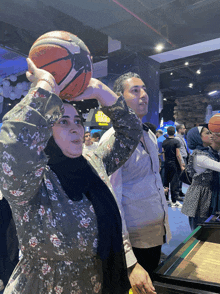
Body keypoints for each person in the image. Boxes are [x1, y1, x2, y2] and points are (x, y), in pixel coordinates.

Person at [0, 59, 144, 294]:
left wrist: (99, 90)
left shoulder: (92, 163)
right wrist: (44, 87)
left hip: (95, 283)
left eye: (77, 121)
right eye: (63, 122)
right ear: (46, 131)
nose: (77, 128)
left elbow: (130, 134)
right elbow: (13, 144)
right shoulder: (30, 178)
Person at [99, 72, 171, 294]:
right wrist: (129, 259)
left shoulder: (148, 134)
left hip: (154, 234)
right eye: (135, 90)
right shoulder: (113, 142)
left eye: (144, 89)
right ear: (119, 99)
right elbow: (111, 204)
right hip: (134, 242)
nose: (144, 95)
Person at [181, 125, 220, 230]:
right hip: (200, 195)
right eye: (207, 133)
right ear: (197, 138)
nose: (211, 135)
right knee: (200, 226)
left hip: (205, 192)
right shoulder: (200, 156)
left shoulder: (206, 152)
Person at [162, 126, 185, 207]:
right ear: (174, 132)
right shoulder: (176, 142)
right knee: (174, 182)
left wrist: (166, 161)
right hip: (174, 164)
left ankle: (166, 199)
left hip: (167, 163)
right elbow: (178, 155)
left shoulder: (164, 142)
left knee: (166, 181)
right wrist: (181, 165)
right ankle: (174, 201)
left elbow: (163, 154)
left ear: (167, 133)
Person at [175, 124, 189, 198]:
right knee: (179, 176)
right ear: (179, 130)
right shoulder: (177, 138)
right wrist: (181, 162)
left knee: (182, 175)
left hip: (185, 158)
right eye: (183, 128)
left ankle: (180, 191)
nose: (185, 129)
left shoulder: (182, 138)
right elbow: (178, 151)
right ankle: (177, 193)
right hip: (181, 159)